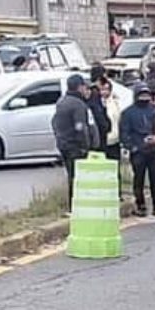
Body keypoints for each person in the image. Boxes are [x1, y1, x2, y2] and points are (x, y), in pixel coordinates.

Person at [120, 84, 155, 217]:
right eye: (141, 95)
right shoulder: (127, 113)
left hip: (154, 151)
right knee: (138, 180)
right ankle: (140, 205)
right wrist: (133, 147)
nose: (144, 97)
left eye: (147, 95)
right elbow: (124, 133)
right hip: (138, 152)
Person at [52, 73, 98, 209]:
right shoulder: (78, 105)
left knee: (72, 176)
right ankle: (78, 205)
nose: (86, 90)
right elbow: (81, 127)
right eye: (85, 87)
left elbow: (54, 123)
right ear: (79, 87)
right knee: (78, 178)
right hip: (76, 148)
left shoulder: (61, 102)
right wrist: (85, 147)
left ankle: (74, 204)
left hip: (65, 145)